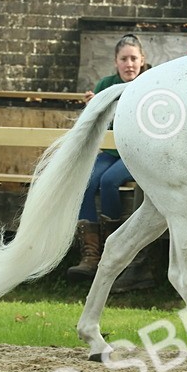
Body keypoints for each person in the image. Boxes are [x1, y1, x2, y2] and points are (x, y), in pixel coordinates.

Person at [68, 33, 148, 280]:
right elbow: (94, 124)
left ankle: (112, 253)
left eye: (134, 58)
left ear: (142, 60)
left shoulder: (149, 83)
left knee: (109, 181)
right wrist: (93, 106)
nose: (129, 64)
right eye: (124, 59)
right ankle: (91, 255)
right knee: (87, 181)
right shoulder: (106, 85)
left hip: (135, 152)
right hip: (110, 151)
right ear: (116, 62)